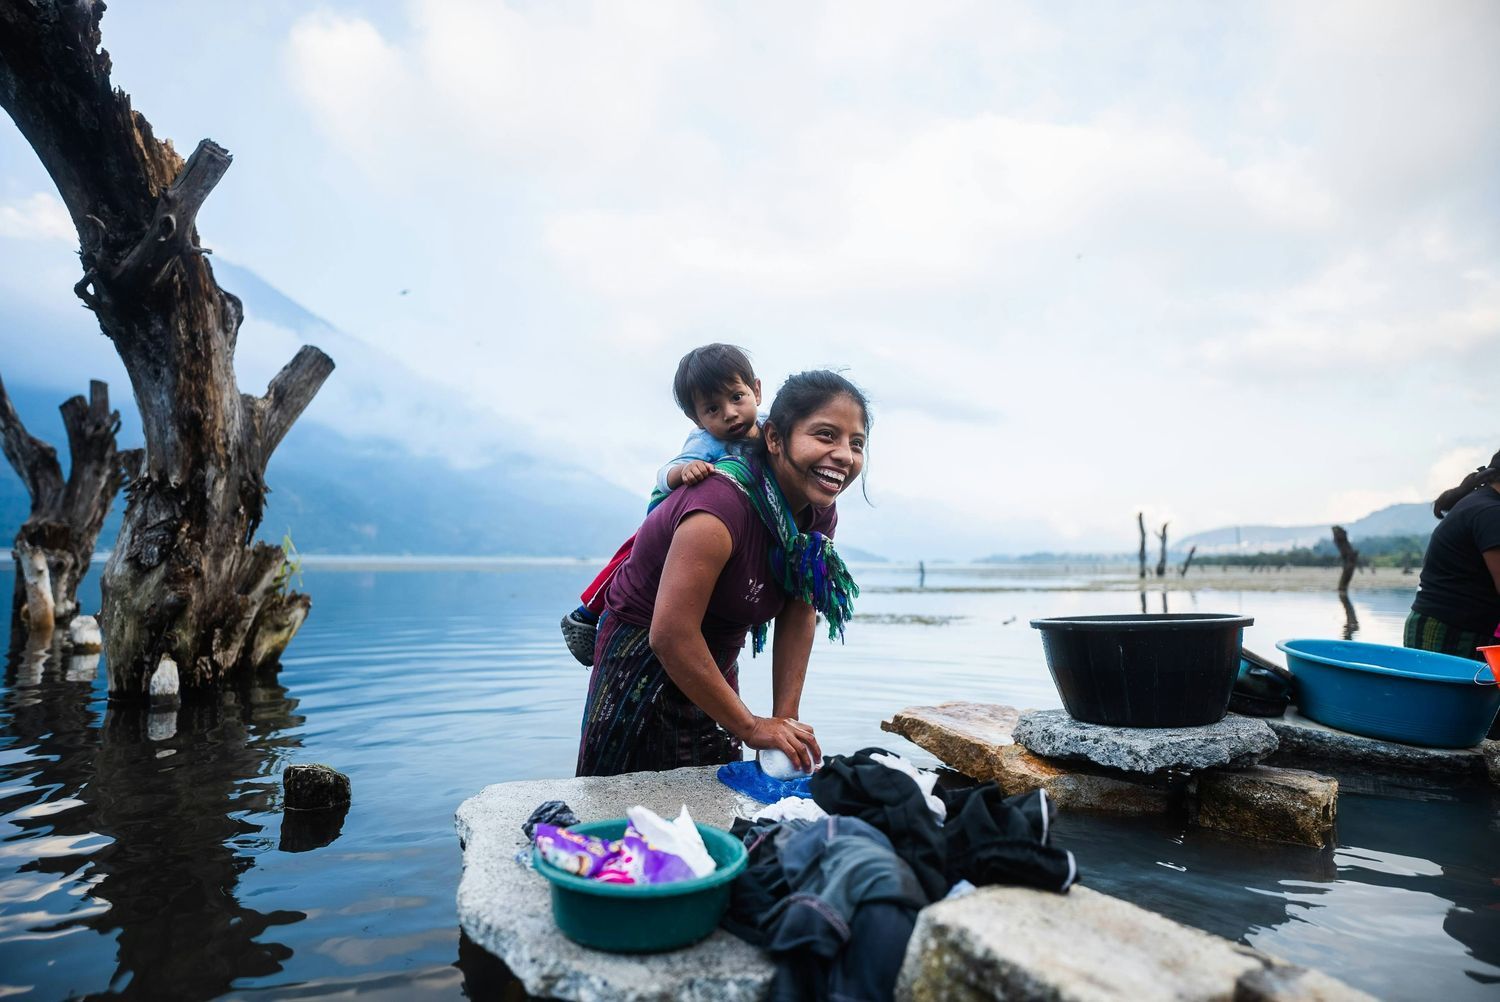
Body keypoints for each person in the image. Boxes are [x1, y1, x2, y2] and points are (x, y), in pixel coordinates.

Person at [575, 370, 868, 777]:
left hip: (714, 661)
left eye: (856, 443)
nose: (844, 455)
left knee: (716, 798)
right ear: (775, 439)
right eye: (824, 435)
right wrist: (749, 726)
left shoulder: (816, 511)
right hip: (642, 665)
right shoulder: (718, 506)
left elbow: (799, 609)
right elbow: (671, 634)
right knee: (620, 802)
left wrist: (785, 723)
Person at [560, 343, 765, 666]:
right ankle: (585, 614)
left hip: (721, 527)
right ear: (695, 418)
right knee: (630, 559)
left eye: (737, 397)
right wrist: (684, 471)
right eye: (712, 409)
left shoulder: (771, 430)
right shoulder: (705, 442)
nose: (729, 413)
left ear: (756, 391)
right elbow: (663, 474)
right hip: (671, 516)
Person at [1406, 448, 1500, 662]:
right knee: (1439, 694)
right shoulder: (1491, 513)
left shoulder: (1484, 503)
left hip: (1461, 626)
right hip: (1447, 630)